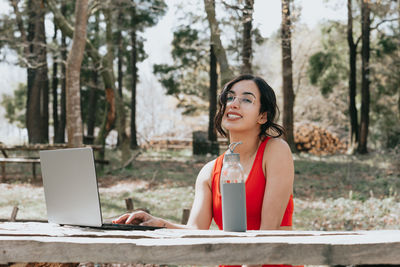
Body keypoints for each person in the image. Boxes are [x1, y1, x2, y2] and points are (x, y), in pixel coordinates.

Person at [113, 74, 295, 266]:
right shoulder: (209, 172)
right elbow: (195, 230)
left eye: (247, 99)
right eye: (230, 97)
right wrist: (159, 223)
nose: (233, 104)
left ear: (262, 116)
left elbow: (268, 230)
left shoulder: (275, 150)